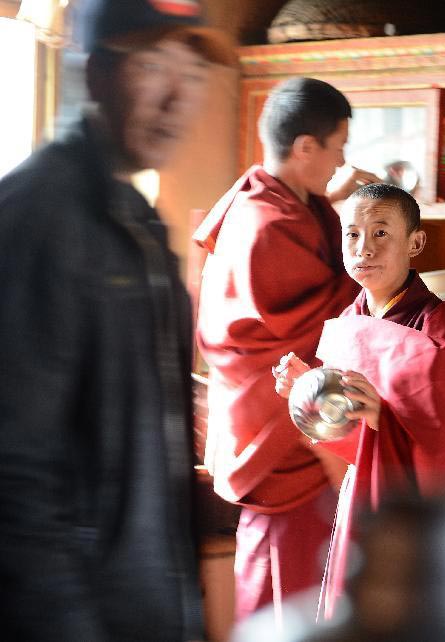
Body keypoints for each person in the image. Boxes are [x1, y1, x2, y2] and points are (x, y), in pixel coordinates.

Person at [0, 1, 235, 640]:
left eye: (193, 68)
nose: (177, 95)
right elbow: (16, 477)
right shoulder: (36, 218)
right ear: (93, 69)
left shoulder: (141, 226)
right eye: (152, 62)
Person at [194, 77, 378, 622]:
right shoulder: (264, 221)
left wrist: (342, 202)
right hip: (274, 419)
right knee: (285, 585)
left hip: (291, 419)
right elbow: (317, 316)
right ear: (306, 148)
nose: (342, 161)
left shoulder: (286, 199)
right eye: (337, 148)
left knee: (309, 579)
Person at [274, 183, 445, 619]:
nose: (364, 248)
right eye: (352, 234)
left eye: (381, 233)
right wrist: (311, 393)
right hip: (362, 497)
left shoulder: (443, 329)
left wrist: (387, 418)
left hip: (420, 517)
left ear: (415, 242)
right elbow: (350, 440)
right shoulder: (347, 323)